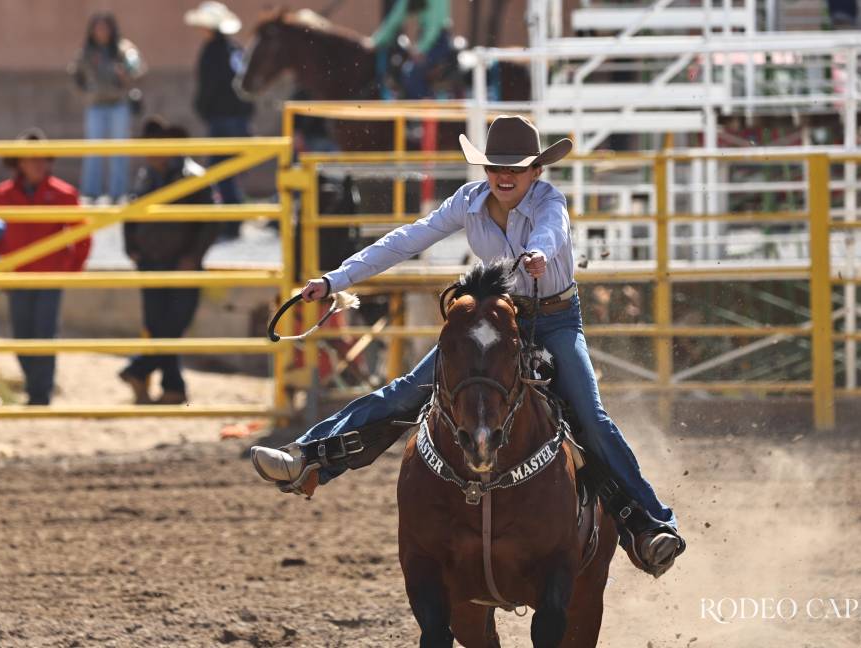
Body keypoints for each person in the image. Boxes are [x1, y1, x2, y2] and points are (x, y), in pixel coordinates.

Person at [251, 116, 686, 577]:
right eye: (497, 166)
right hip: (496, 322)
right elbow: (406, 241)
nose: (504, 175)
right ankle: (307, 456)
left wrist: (539, 252)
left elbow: (551, 232)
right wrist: (335, 280)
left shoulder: (548, 202)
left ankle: (652, 522)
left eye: (516, 169)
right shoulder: (469, 202)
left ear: (536, 172)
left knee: (590, 417)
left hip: (555, 321)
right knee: (406, 390)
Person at [119, 116, 219, 405]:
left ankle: (139, 369)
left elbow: (213, 221)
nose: (151, 151)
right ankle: (172, 387)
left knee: (172, 324)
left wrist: (194, 256)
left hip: (182, 263)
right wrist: (132, 248)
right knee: (159, 325)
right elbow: (130, 214)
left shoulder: (194, 177)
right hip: (151, 261)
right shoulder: (146, 176)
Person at [0, 128, 92, 406]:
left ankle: (40, 394)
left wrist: (70, 268)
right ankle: (35, 386)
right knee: (22, 335)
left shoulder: (63, 193)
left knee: (44, 333)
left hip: (49, 274)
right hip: (17, 275)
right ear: (19, 163)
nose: (38, 164)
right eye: (31, 159)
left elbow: (82, 234)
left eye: (42, 159)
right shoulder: (5, 194)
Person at [185, 1, 253, 239]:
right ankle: (232, 220)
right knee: (229, 171)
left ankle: (231, 222)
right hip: (238, 118)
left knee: (221, 171)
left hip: (222, 118)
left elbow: (209, 86)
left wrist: (202, 107)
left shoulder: (213, 51)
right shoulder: (234, 49)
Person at [69, 12, 146, 203]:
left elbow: (137, 69)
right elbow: (75, 74)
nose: (101, 32)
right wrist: (85, 93)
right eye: (98, 27)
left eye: (105, 27)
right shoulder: (87, 51)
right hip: (96, 105)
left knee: (119, 150)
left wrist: (125, 75)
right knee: (93, 150)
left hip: (118, 104)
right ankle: (91, 192)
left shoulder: (123, 48)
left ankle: (117, 193)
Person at [373, 0, 454, 99]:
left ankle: (424, 110)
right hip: (425, 39)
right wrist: (375, 41)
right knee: (398, 66)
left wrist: (421, 50)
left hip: (439, 42)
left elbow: (434, 26)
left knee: (412, 73)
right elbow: (396, 17)